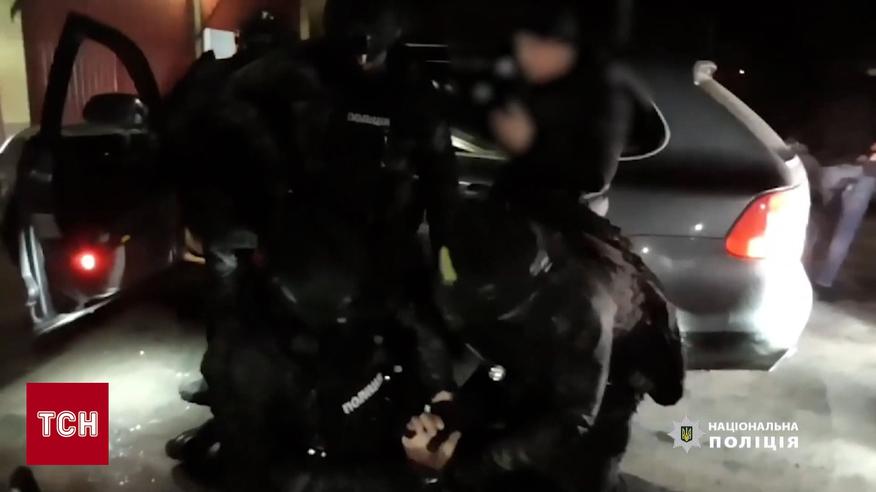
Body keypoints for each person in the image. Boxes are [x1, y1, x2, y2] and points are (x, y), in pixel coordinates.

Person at [162, 0, 459, 488]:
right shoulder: (285, 73)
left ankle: (353, 431)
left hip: (379, 252)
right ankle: (237, 428)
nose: (360, 59)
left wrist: (449, 263)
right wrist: (216, 209)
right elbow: (205, 132)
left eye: (370, 51)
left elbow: (442, 185)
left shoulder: (414, 96)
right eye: (353, 49)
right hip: (292, 250)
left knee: (371, 358)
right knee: (251, 357)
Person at [398, 2, 684, 491]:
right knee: (510, 422)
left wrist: (461, 468)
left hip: (617, 366)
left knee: (580, 467)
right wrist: (446, 398)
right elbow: (431, 321)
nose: (525, 55)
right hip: (545, 296)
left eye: (535, 44)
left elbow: (572, 417)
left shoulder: (582, 302)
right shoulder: (486, 239)